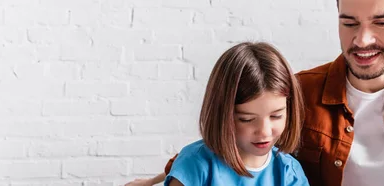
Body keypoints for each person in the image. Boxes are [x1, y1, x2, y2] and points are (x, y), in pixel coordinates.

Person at [127, 0, 384, 185]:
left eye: (381, 22)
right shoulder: (300, 92)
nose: (362, 39)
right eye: (348, 22)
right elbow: (226, 148)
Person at [130, 42, 309, 186]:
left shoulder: (288, 172)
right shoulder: (195, 165)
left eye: (276, 116)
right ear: (222, 114)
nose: (264, 131)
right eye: (246, 119)